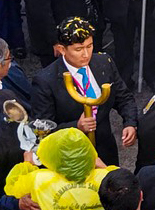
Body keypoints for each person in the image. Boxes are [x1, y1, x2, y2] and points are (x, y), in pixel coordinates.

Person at [30, 16, 137, 167]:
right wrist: (76, 126)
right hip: (71, 156)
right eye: (78, 49)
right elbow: (42, 129)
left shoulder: (104, 62)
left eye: (90, 46)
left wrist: (130, 123)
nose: (86, 54)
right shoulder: (45, 81)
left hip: (105, 148)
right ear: (61, 49)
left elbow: (123, 97)